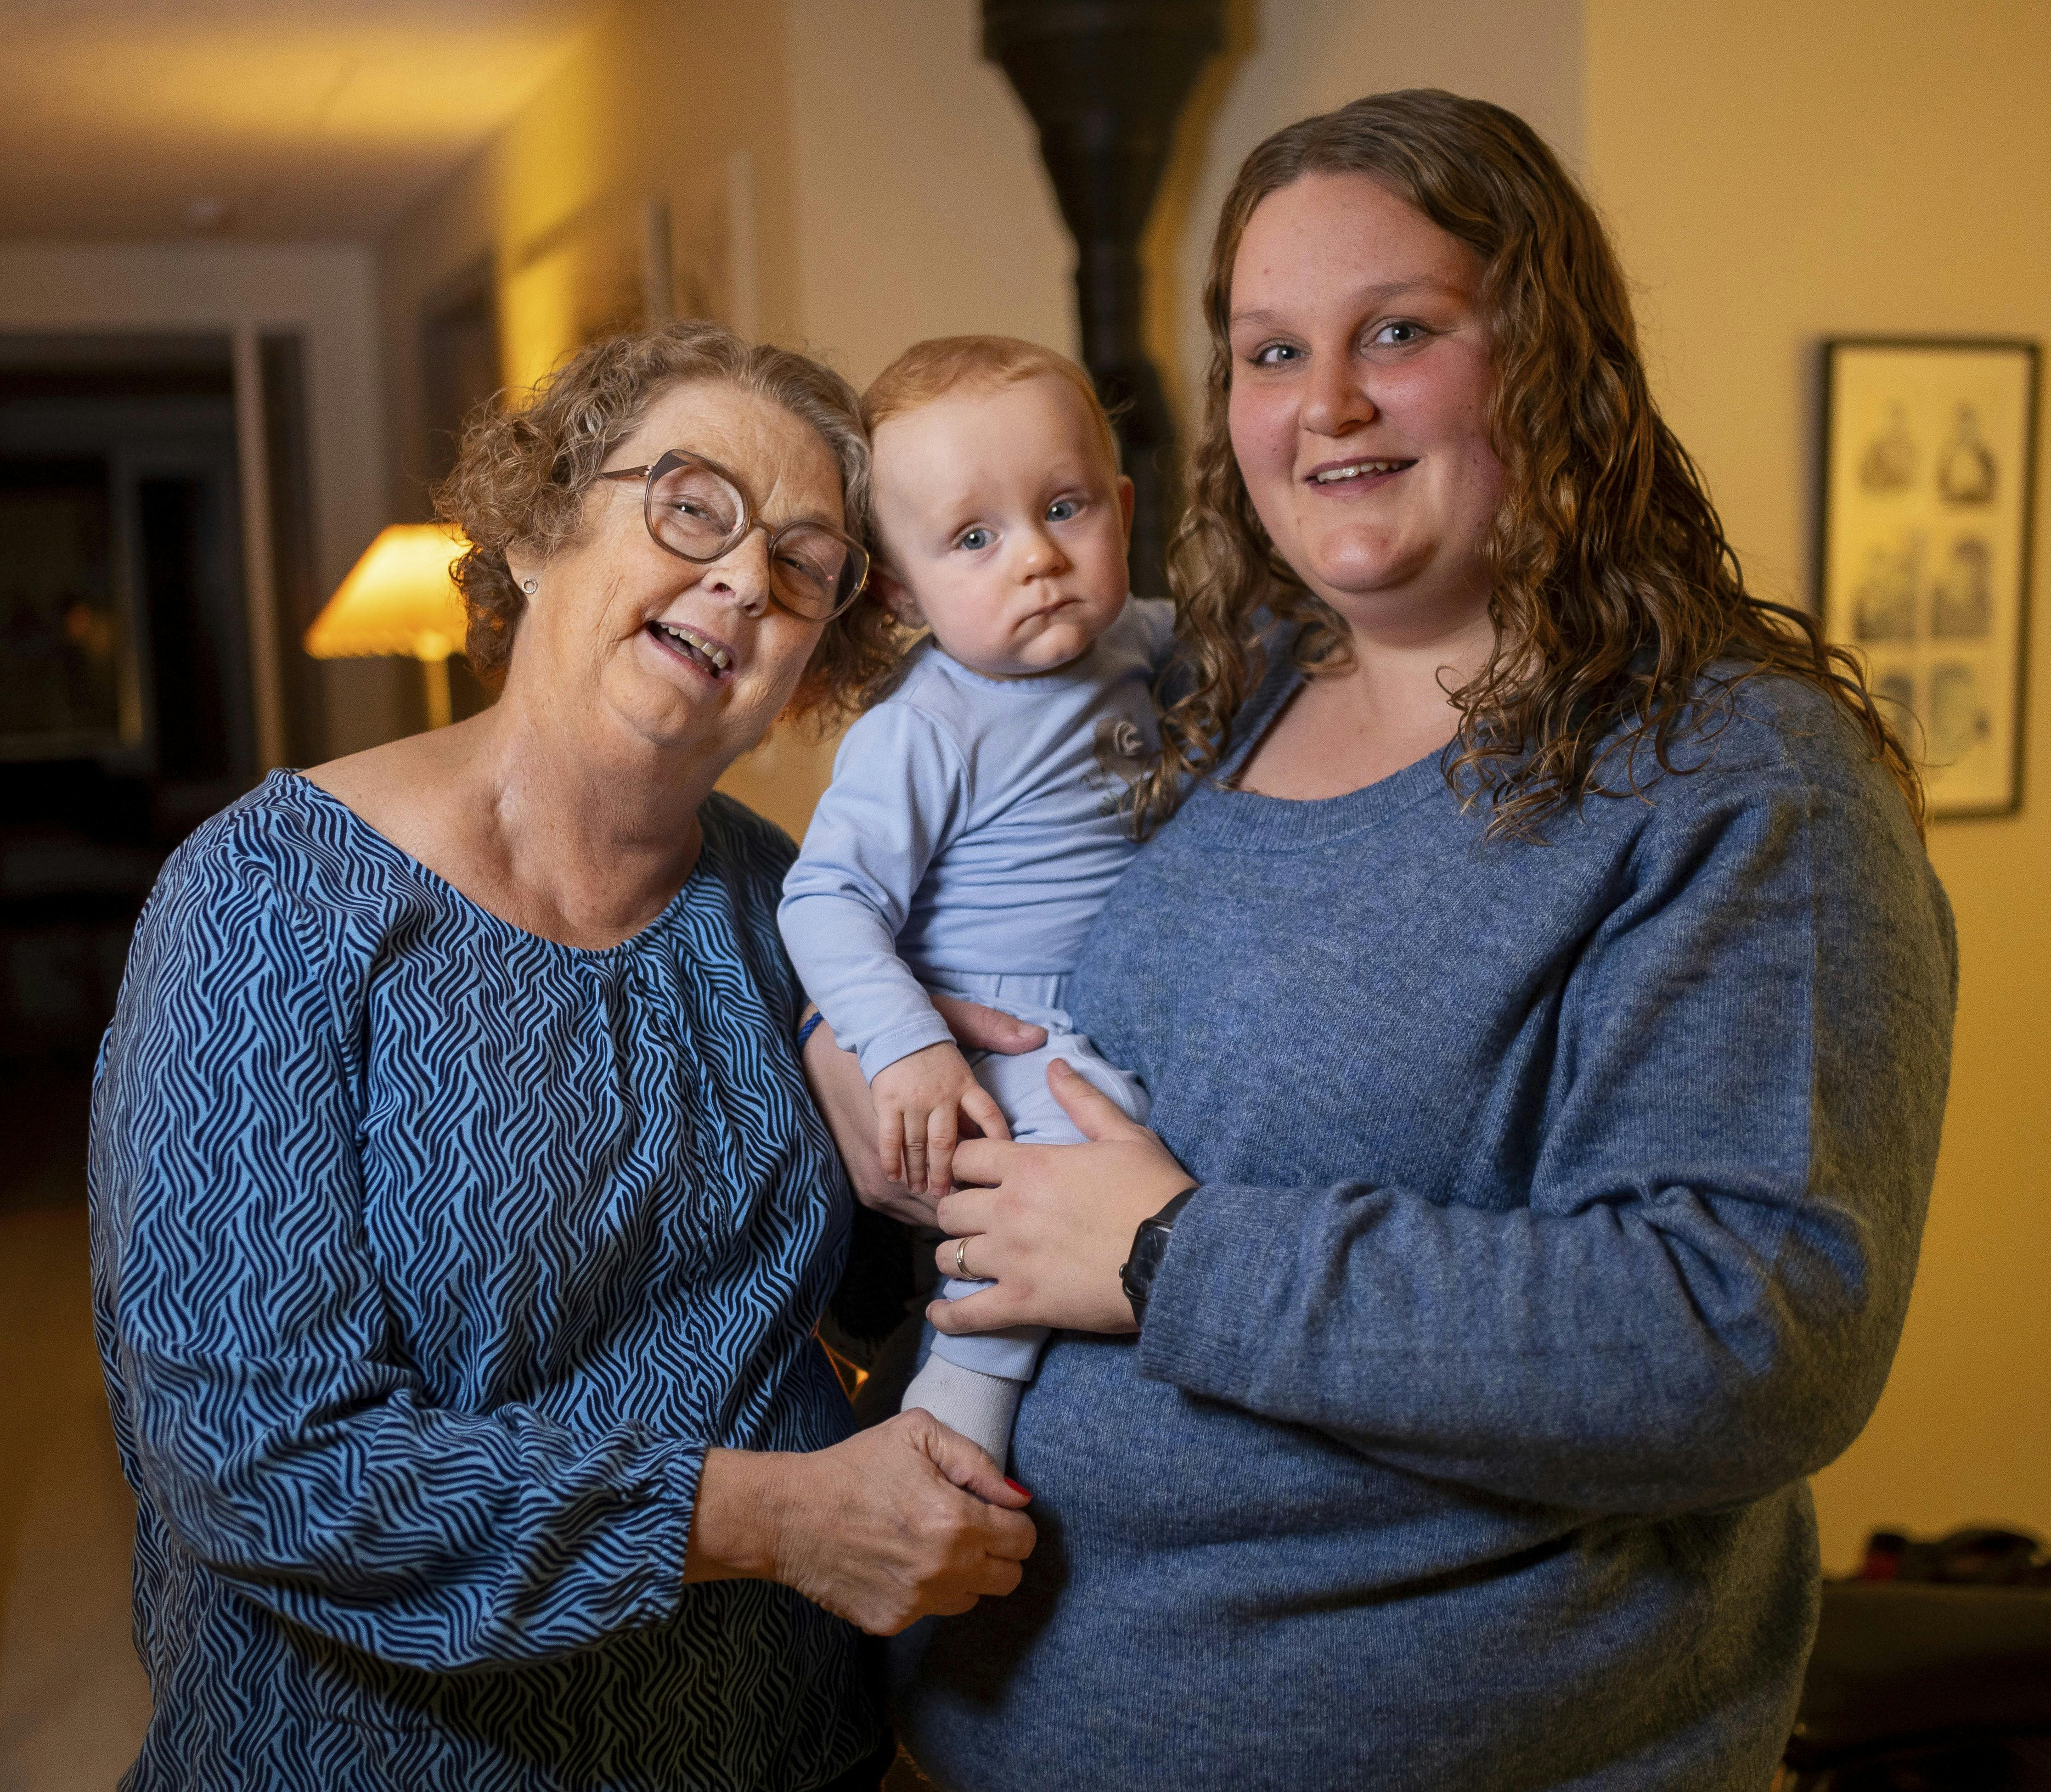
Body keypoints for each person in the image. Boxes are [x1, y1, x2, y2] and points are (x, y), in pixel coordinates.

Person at [803, 92, 1958, 1789]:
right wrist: (864, 1060)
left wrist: (1171, 1259)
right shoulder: (1221, 689)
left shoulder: (1734, 777)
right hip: (981, 1732)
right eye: (1267, 352)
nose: (1324, 402)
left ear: (1547, 357)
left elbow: (1747, 1334)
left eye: (1396, 332)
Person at [88, 321, 1034, 1792]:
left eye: (803, 564)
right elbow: (261, 1466)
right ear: (534, 535)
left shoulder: (795, 908)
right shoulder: (270, 897)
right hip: (380, 1757)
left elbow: (858, 1303)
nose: (741, 580)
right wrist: (777, 1519)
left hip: (782, 1749)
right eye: (691, 506)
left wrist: (919, 1154)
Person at [778, 337, 1169, 1469]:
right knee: (1049, 1187)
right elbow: (827, 897)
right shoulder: (925, 726)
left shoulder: (1144, 641)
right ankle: (952, 1409)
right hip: (996, 1034)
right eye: (973, 538)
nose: (1037, 558)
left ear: (1122, 506)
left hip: (1115, 1008)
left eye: (1065, 506)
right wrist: (906, 1050)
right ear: (901, 589)